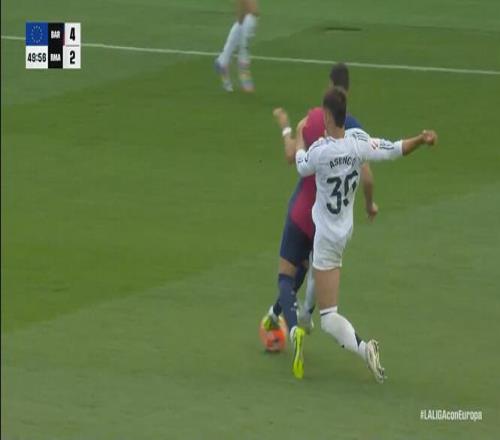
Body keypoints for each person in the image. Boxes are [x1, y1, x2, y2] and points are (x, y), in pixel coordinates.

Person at [293, 87, 437, 381]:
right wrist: (421, 139)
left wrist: (297, 137)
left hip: (327, 236)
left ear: (328, 117)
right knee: (318, 269)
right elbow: (395, 149)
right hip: (344, 230)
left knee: (329, 317)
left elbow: (300, 166)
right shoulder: (358, 142)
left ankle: (363, 348)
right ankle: (304, 315)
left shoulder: (320, 151)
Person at [261, 64, 377, 380]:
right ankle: (282, 315)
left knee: (286, 276)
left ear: (329, 87)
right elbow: (367, 178)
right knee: (310, 270)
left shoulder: (313, 120)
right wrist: (370, 204)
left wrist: (286, 127)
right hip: (327, 221)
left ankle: (293, 327)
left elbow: (292, 156)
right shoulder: (355, 130)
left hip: (303, 211)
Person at [214, 0, 259, 92]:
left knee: (237, 44)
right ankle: (242, 73)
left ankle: (222, 62)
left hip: (247, 18)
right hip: (247, 18)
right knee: (243, 47)